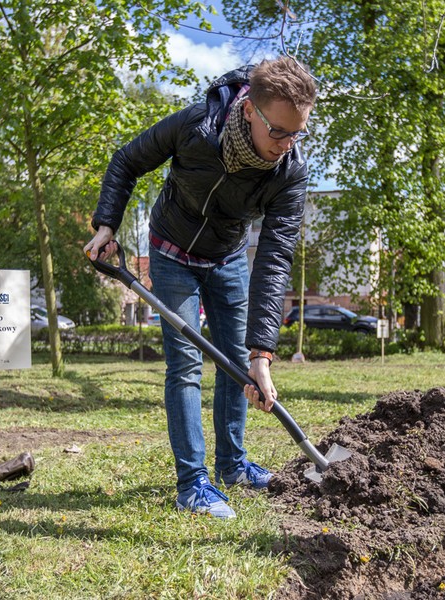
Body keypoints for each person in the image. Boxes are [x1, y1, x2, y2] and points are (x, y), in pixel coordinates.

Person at [83, 57, 317, 519]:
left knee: (237, 364)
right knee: (186, 363)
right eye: (279, 132)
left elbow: (273, 261)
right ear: (250, 109)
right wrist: (106, 223)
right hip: (171, 253)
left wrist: (262, 356)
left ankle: (233, 465)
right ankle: (193, 484)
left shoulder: (289, 172)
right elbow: (127, 160)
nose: (287, 144)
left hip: (227, 258)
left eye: (297, 134)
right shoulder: (196, 125)